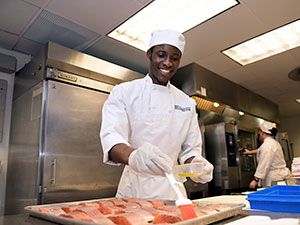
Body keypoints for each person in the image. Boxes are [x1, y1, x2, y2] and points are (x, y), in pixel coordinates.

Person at [100, 29, 213, 200]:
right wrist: (134, 156)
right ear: (149, 54)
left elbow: (190, 151)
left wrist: (196, 165)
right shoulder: (124, 92)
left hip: (173, 192)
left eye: (175, 58)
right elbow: (112, 139)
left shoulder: (187, 103)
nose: (168, 63)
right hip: (134, 191)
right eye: (161, 55)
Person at [243, 121, 291, 189]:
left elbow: (264, 163)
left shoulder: (268, 145)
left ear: (262, 132)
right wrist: (250, 152)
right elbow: (260, 150)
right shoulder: (273, 143)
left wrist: (256, 180)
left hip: (274, 179)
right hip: (279, 176)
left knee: (273, 198)